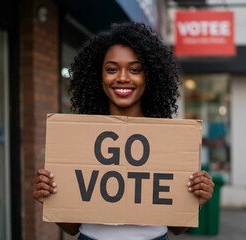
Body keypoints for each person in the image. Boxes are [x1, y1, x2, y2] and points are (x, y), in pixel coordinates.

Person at [32, 22, 215, 240]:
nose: (122, 77)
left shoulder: (169, 140)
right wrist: (49, 197)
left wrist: (198, 199)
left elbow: (176, 228)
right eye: (111, 69)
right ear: (99, 78)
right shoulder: (80, 137)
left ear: (149, 77)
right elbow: (72, 228)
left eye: (135, 69)